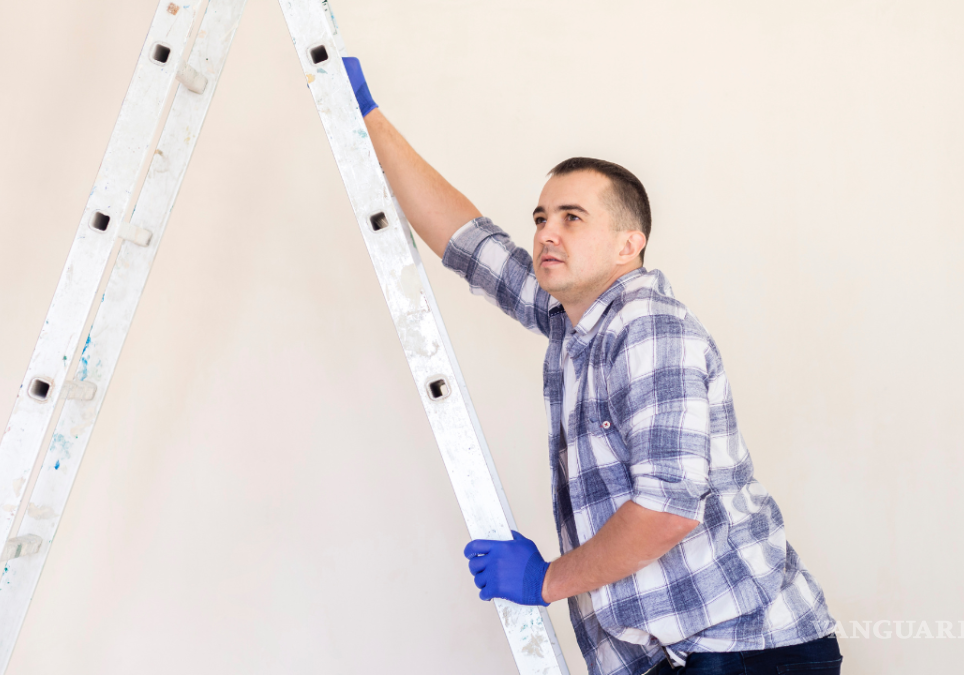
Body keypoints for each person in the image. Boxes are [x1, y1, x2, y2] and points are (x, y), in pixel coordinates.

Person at [341, 57, 842, 675]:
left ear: (629, 243)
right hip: (673, 658)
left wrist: (547, 581)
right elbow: (469, 244)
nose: (547, 232)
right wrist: (367, 115)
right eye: (542, 218)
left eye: (572, 218)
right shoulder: (574, 322)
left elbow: (667, 511)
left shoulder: (648, 328)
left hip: (738, 651)